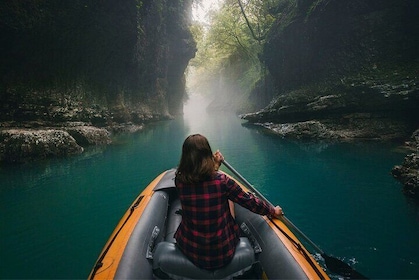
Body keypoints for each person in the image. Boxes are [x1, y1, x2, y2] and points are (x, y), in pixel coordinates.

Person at [174, 134, 283, 270]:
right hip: (223, 251)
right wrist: (273, 211)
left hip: (191, 249)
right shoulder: (223, 181)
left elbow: (201, 182)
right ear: (208, 154)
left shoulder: (179, 181)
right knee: (230, 197)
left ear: (185, 157)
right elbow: (250, 202)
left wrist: (215, 166)